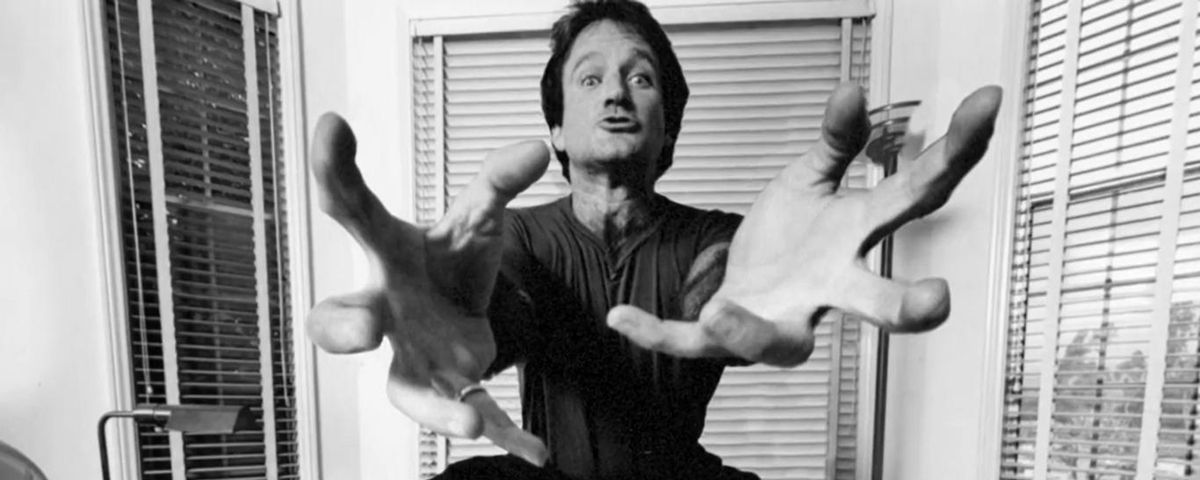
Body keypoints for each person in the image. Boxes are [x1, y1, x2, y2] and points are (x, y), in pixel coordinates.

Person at [305, 0, 1003, 478]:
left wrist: (738, 301)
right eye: (591, 77)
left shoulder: (722, 239)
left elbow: (718, 284)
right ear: (557, 129)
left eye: (639, 78)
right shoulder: (513, 237)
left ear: (667, 126)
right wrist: (464, 321)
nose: (616, 92)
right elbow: (511, 308)